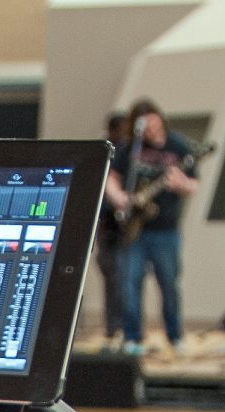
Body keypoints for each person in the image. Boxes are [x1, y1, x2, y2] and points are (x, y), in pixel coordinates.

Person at [103, 100, 200, 355]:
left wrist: (180, 183)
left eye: (154, 121)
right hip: (135, 230)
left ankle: (175, 335)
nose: (150, 128)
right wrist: (120, 198)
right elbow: (111, 179)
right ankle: (133, 337)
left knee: (168, 284)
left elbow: (194, 185)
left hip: (165, 229)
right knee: (129, 285)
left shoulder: (178, 147)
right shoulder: (130, 149)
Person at [96, 109, 132, 342]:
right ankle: (113, 327)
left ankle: (122, 327)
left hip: (124, 229)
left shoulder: (128, 155)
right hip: (108, 227)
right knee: (114, 278)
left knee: (123, 279)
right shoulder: (105, 155)